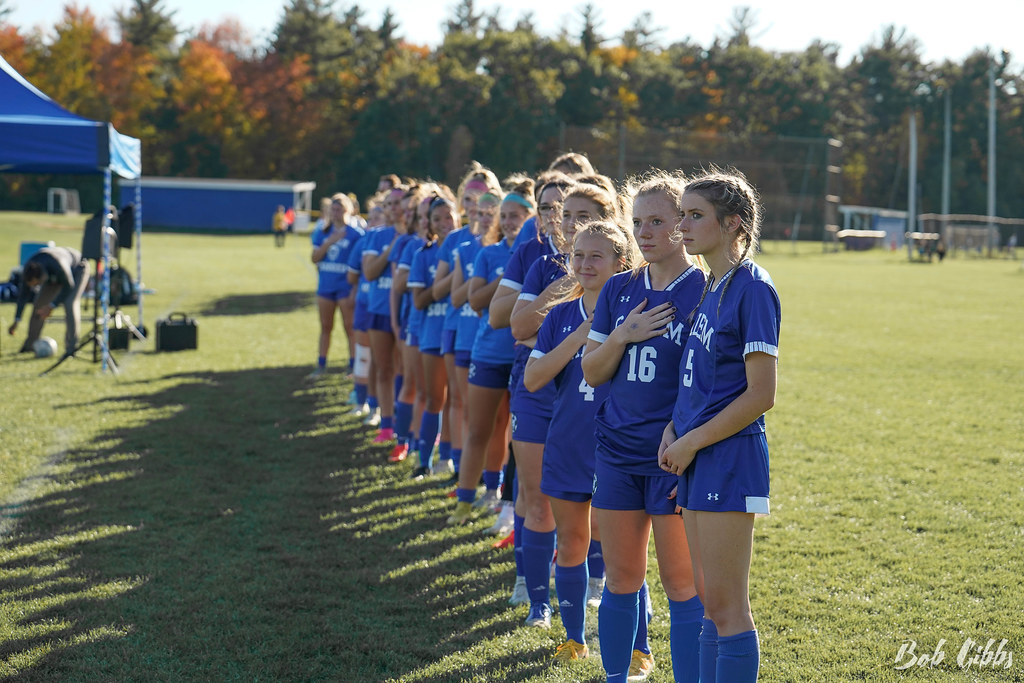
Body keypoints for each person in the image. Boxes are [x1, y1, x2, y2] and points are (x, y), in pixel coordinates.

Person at [581, 172, 706, 683]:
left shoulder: (704, 289)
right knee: (622, 579)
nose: (645, 232)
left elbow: (713, 383)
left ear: (683, 222)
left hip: (673, 460)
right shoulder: (619, 288)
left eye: (657, 221)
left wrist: (680, 430)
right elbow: (592, 369)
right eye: (637, 222)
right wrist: (624, 334)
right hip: (616, 453)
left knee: (681, 584)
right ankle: (616, 676)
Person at [659, 168, 780, 683]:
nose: (681, 226)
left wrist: (689, 441)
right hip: (697, 453)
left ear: (733, 223)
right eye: (681, 215)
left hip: (728, 458)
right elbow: (701, 380)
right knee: (710, 601)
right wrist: (674, 428)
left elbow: (761, 394)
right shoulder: (712, 282)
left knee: (729, 609)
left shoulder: (753, 287)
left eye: (694, 216)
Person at [506, 181, 620, 629]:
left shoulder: (632, 297)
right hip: (543, 406)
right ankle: (535, 596)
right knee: (538, 502)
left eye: (580, 214)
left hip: (591, 414)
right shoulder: (544, 269)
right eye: (561, 213)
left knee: (605, 515)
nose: (569, 223)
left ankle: (602, 588)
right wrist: (579, 328)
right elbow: (520, 332)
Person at [523, 220, 639, 663]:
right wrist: (583, 332)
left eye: (597, 256)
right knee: (571, 542)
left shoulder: (637, 312)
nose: (585, 264)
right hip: (569, 443)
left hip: (619, 445)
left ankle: (638, 645)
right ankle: (574, 638)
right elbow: (533, 379)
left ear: (620, 263)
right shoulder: (559, 316)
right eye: (578, 256)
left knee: (622, 551)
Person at [447, 178, 534, 525]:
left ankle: (494, 493)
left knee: (512, 430)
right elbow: (475, 300)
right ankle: (464, 500)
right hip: (487, 353)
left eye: (517, 216)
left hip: (522, 356)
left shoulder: (537, 254)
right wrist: (511, 276)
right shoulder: (489, 253)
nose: (510, 222)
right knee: (479, 428)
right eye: (506, 216)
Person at [310, 194, 365, 377]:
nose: (335, 213)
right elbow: (314, 258)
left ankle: (352, 365)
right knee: (325, 326)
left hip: (345, 288)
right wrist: (329, 243)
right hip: (326, 287)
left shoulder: (356, 235)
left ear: (349, 211)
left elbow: (360, 264)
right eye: (333, 209)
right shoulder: (323, 232)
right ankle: (321, 364)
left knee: (350, 327)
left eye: (339, 209)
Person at [8, 246, 90, 357]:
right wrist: (17, 319)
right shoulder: (28, 271)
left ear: (42, 277)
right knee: (39, 304)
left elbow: (68, 286)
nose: (36, 287)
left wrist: (51, 306)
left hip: (77, 269)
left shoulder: (58, 264)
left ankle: (71, 348)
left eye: (37, 284)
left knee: (70, 303)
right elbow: (23, 296)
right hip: (54, 276)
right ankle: (30, 345)